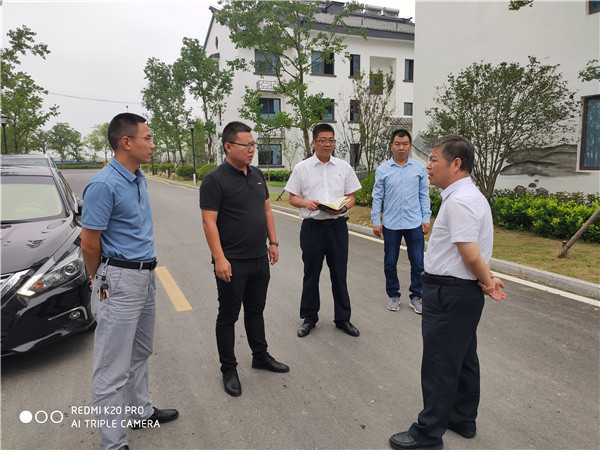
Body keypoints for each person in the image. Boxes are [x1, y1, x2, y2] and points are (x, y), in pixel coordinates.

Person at [388, 135, 506, 450]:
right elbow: (478, 252)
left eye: (433, 159)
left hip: (449, 294)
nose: (428, 165)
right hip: (460, 292)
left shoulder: (460, 201)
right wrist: (486, 277)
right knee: (463, 359)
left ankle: (427, 434)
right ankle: (462, 419)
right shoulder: (471, 196)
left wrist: (487, 281)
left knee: (439, 363)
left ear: (455, 164)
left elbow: (470, 254)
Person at [81, 113, 179, 450]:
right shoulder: (103, 185)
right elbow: (89, 244)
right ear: (126, 142)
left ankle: (140, 412)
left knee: (140, 351)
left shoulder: (138, 178)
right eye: (147, 138)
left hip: (145, 275)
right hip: (119, 279)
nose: (152, 144)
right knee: (111, 369)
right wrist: (98, 278)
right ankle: (113, 443)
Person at [200, 121, 289, 398]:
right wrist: (219, 259)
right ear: (228, 146)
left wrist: (272, 242)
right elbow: (209, 222)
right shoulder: (215, 180)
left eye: (253, 144)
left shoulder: (257, 174)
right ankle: (228, 369)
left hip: (258, 257)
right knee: (228, 316)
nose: (252, 149)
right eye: (246, 145)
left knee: (256, 310)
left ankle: (260, 356)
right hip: (232, 261)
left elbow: (267, 211)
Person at [284, 123, 363, 338]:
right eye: (323, 140)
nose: (327, 144)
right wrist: (305, 203)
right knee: (311, 274)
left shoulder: (343, 167)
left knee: (339, 275)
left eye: (331, 140)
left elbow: (351, 196)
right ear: (314, 142)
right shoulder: (302, 168)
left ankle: (343, 319)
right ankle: (309, 317)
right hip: (313, 228)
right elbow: (292, 198)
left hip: (337, 228)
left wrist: (343, 208)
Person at [371, 129, 431, 314]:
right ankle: (393, 295)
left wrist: (425, 218)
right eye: (397, 144)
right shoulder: (383, 170)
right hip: (391, 223)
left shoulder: (419, 169)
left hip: (414, 223)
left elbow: (424, 195)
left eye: (405, 144)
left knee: (418, 262)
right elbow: (377, 197)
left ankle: (416, 296)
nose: (401, 148)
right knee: (390, 262)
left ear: (410, 146)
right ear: (391, 146)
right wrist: (376, 220)